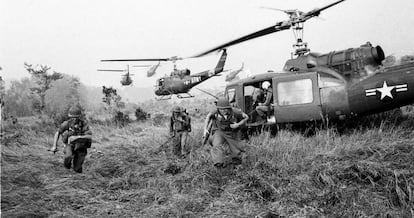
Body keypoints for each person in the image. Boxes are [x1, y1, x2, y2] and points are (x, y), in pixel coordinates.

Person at [203, 97, 249, 168]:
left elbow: (246, 117)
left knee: (235, 148)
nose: (222, 111)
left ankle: (237, 163)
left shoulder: (235, 111)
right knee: (216, 143)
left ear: (228, 108)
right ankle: (219, 163)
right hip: (220, 131)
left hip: (233, 131)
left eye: (225, 109)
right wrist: (205, 129)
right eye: (221, 109)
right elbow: (208, 116)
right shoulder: (216, 111)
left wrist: (237, 124)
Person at [50, 105, 92, 173]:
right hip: (70, 144)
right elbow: (58, 132)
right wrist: (54, 146)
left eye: (76, 117)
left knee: (77, 169)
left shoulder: (84, 123)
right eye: (72, 117)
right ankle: (67, 170)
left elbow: (89, 136)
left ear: (79, 116)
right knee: (68, 157)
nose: (74, 119)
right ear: (70, 117)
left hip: (81, 146)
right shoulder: (67, 123)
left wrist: (78, 137)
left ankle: (77, 177)